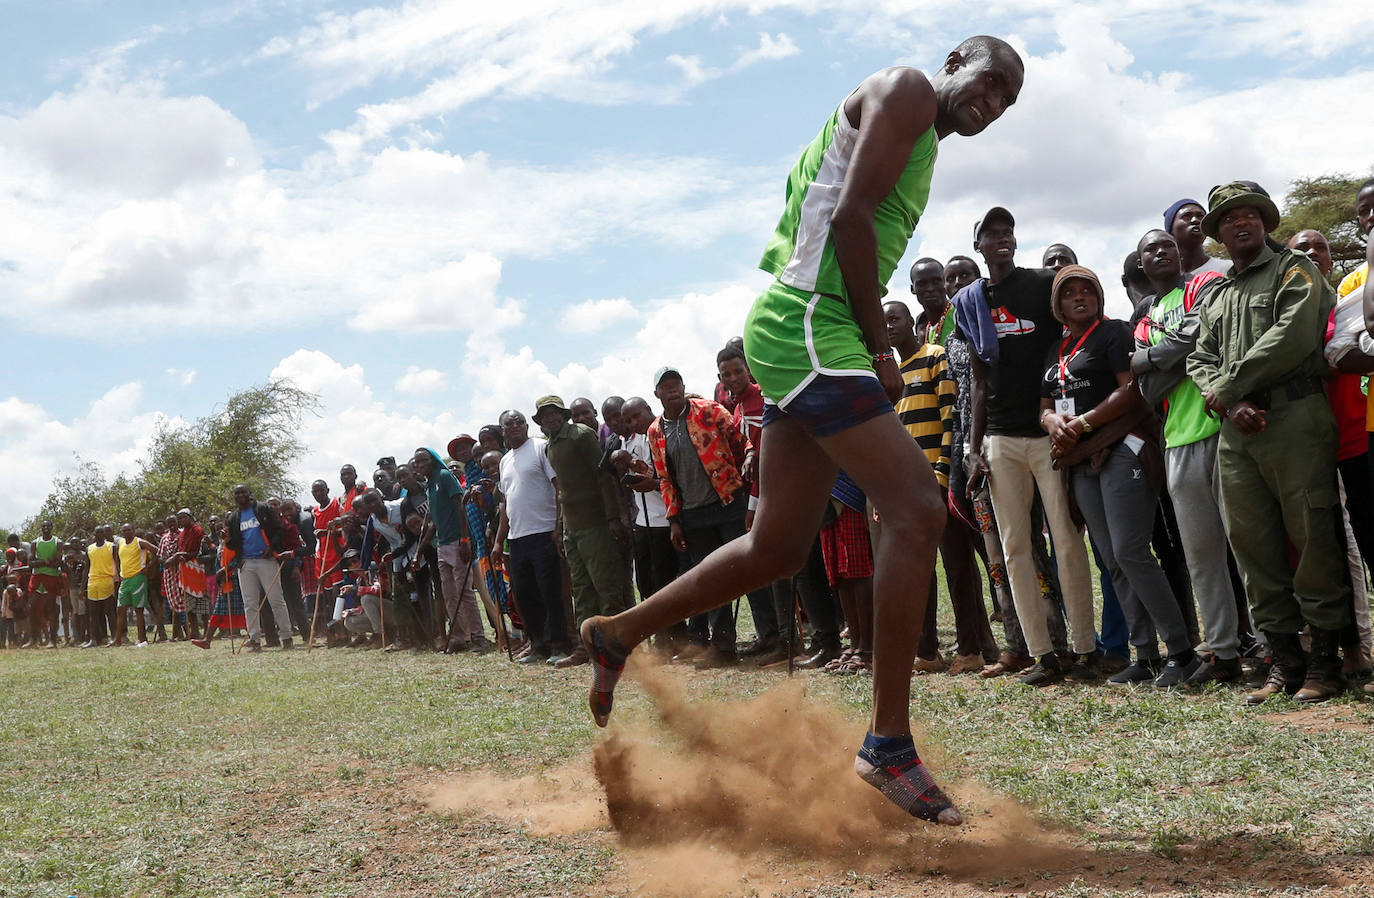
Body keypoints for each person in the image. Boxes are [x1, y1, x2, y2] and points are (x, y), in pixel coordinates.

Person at [583, 38, 1026, 827]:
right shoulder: (909, 89)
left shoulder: (918, 131)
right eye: (990, 81)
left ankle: (621, 631)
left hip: (805, 329)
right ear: (955, 59)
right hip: (816, 326)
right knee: (919, 509)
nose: (992, 103)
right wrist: (880, 345)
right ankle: (888, 742)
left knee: (777, 549)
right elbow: (851, 219)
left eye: (1007, 102)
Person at [1188, 181, 1351, 704]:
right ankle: (1285, 662)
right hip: (1238, 430)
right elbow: (1199, 357)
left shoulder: (1294, 270)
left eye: (1251, 214)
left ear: (1265, 221)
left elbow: (1295, 332)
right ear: (1217, 232)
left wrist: (1230, 387)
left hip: (1296, 417)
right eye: (1230, 217)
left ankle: (1327, 663)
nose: (1241, 223)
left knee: (1312, 536)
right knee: (1251, 543)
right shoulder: (1216, 293)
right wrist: (1228, 402)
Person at [1039, 265, 1198, 687]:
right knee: (1112, 558)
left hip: (1121, 450)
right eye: (1069, 292)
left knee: (1132, 551)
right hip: (1080, 461)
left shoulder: (1113, 335)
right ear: (1058, 305)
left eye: (1087, 290)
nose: (1079, 297)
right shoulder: (1057, 347)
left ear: (1099, 296)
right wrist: (1053, 422)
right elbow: (1045, 403)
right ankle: (1144, 655)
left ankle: (1181, 652)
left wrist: (1084, 425)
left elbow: (1131, 390)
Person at [963, 206, 1097, 686]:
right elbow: (978, 379)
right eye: (991, 234)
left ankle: (1085, 649)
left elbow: (1070, 345)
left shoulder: (1041, 284)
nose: (1002, 239)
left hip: (1046, 432)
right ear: (977, 245)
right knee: (1016, 547)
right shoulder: (970, 301)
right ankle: (1044, 655)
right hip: (999, 437)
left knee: (1065, 539)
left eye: (1008, 232)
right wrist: (974, 447)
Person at [1131, 228, 1244, 686]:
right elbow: (1146, 385)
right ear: (1142, 264)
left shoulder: (1205, 286)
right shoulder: (1143, 318)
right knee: (1202, 556)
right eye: (1151, 249)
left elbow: (1203, 340)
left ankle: (1277, 646)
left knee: (1248, 547)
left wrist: (1156, 359)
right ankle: (1224, 652)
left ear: (1180, 255)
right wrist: (1167, 358)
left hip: (1225, 429)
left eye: (1168, 246)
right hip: (1177, 440)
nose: (1161, 251)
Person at [887, 288, 997, 672]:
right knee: (920, 573)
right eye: (882, 323)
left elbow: (952, 416)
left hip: (937, 483)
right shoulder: (889, 375)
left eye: (895, 319)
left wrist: (941, 476)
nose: (888, 327)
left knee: (958, 566)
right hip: (905, 492)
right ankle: (928, 651)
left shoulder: (935, 358)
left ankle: (970, 650)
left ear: (910, 323)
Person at [630, 367, 753, 669]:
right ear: (656, 393)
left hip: (729, 502)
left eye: (676, 385)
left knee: (749, 570)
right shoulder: (655, 431)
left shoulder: (708, 410)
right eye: (665, 386)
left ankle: (772, 637)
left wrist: (746, 466)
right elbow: (665, 478)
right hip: (693, 514)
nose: (672, 390)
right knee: (710, 581)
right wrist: (674, 520)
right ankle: (723, 646)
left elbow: (740, 443)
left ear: (684, 387)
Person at [534, 395, 634, 667]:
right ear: (540, 422)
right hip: (572, 528)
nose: (550, 418)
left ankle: (618, 645)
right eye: (544, 416)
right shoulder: (550, 446)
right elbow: (561, 491)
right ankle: (586, 647)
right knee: (581, 588)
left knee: (606, 585)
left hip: (595, 523)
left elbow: (603, 475)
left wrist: (613, 517)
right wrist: (560, 527)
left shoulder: (580, 435)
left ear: (563, 415)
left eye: (554, 413)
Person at [717, 343, 788, 661]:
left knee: (776, 566)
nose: (732, 378)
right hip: (749, 495)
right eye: (725, 374)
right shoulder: (735, 408)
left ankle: (787, 638)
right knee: (756, 570)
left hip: (770, 492)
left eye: (737, 371)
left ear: (749, 369)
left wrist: (752, 507)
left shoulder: (763, 397)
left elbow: (764, 459)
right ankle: (768, 634)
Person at [492, 409, 571, 664]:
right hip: (516, 538)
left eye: (519, 422)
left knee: (550, 592)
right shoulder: (505, 461)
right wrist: (497, 541)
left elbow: (559, 487)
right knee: (524, 595)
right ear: (502, 430)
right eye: (508, 423)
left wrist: (558, 526)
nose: (514, 426)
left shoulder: (540, 448)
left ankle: (559, 644)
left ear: (527, 426)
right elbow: (505, 504)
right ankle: (538, 645)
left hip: (544, 531)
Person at [413, 447, 485, 651]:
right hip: (441, 545)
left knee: (465, 592)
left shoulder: (444, 476)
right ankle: (459, 637)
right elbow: (433, 521)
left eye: (423, 460)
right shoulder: (429, 484)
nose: (420, 465)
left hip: (457, 541)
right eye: (417, 462)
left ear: (433, 460)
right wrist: (420, 551)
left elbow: (460, 504)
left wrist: (464, 539)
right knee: (449, 594)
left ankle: (479, 637)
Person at [224, 483, 294, 652]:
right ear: (234, 497)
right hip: (246, 563)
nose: (241, 495)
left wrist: (272, 547)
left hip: (266, 560)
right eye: (237, 493)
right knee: (250, 603)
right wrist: (227, 540)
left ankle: (287, 637)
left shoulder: (263, 509)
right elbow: (234, 544)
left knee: (276, 599)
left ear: (250, 493)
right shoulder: (233, 517)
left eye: (243, 492)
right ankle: (254, 639)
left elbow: (279, 530)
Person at [1165, 198, 1232, 281]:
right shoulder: (1165, 280)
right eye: (1186, 216)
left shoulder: (1228, 270)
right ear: (1171, 230)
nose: (1195, 220)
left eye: (1200, 216)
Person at [113, 524, 158, 647]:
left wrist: (148, 567)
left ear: (133, 531)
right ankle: (117, 640)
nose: (126, 532)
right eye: (124, 530)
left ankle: (141, 639)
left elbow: (157, 551)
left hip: (138, 578)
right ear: (121, 532)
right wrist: (119, 572)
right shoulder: (120, 544)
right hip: (125, 580)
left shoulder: (140, 542)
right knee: (120, 609)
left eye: (129, 530)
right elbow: (117, 559)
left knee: (138, 610)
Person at [26, 520, 63, 648]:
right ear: (41, 528)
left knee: (52, 610)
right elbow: (30, 563)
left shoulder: (57, 542)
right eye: (43, 526)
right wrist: (46, 562)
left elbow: (58, 562)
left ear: (52, 527)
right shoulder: (35, 543)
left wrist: (40, 562)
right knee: (32, 609)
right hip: (36, 578)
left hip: (51, 578)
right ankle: (33, 639)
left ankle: (52, 640)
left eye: (48, 526)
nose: (46, 528)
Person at [86, 526, 118, 646]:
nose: (99, 534)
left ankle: (114, 637)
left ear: (105, 534)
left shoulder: (111, 546)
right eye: (97, 532)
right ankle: (93, 639)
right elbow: (86, 568)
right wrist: (82, 587)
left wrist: (117, 579)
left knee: (109, 611)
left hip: (107, 580)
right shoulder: (89, 549)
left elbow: (117, 563)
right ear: (94, 534)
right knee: (93, 612)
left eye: (101, 532)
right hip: (92, 582)